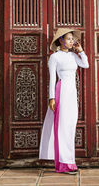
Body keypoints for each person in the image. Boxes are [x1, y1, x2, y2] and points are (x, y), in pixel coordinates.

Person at [39, 28, 89, 174]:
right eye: (68, 39)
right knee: (62, 128)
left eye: (72, 39)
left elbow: (85, 64)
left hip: (72, 94)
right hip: (61, 92)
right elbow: (52, 79)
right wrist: (52, 98)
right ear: (60, 40)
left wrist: (80, 51)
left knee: (70, 126)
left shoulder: (74, 56)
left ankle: (69, 161)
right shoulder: (54, 57)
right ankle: (64, 163)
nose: (72, 41)